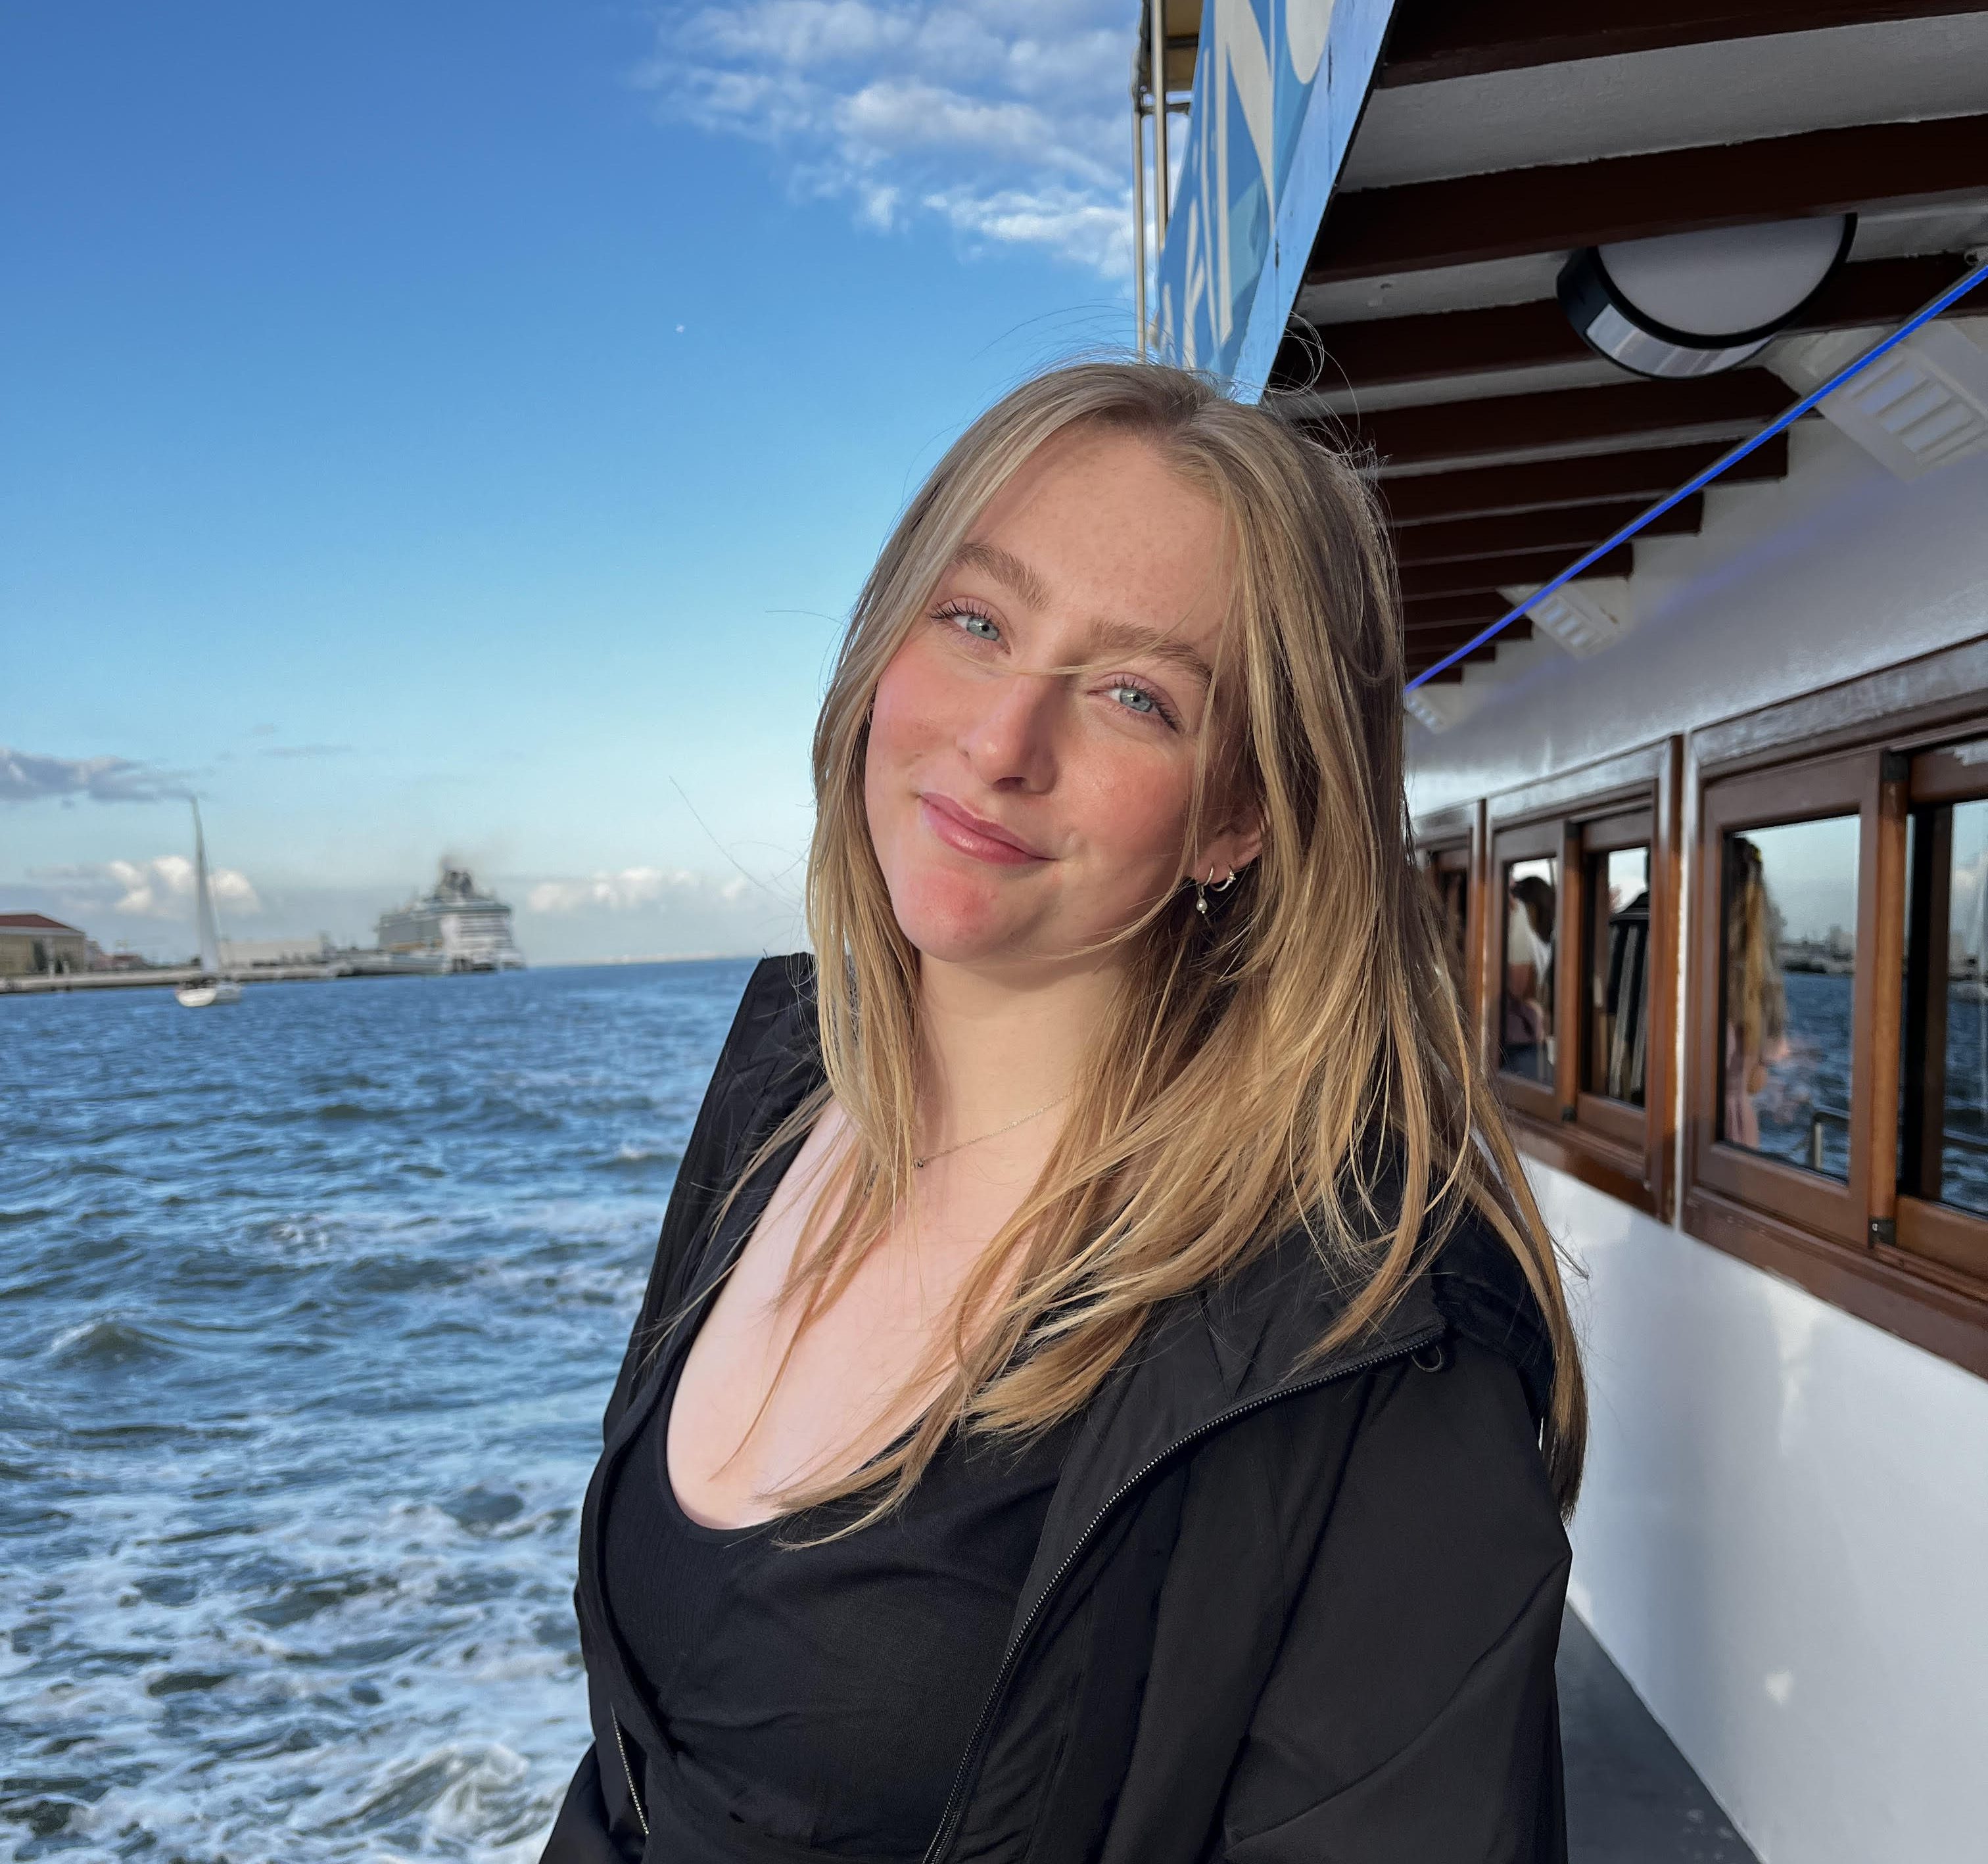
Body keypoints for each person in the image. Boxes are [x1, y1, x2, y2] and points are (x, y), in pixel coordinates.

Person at [540, 361, 1586, 1864]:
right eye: (976, 621)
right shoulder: (783, 1086)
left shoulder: (1371, 1341)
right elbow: (638, 1771)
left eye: (1135, 696)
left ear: (1242, 815)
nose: (1002, 741)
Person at [1502, 874, 1556, 1084]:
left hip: (1519, 1037)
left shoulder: (1525, 937)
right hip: (1532, 1034)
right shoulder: (1548, 944)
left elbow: (1518, 986)